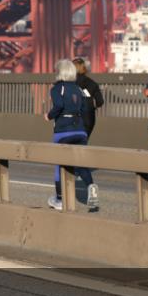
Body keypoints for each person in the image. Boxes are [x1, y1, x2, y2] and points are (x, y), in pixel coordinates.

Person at [45, 59, 98, 211]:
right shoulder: (78, 89)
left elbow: (59, 106)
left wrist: (49, 116)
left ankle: (60, 200)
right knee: (81, 164)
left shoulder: (57, 88)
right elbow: (84, 108)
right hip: (80, 130)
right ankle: (91, 188)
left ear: (60, 72)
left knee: (58, 165)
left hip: (63, 131)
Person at [72, 57, 104, 138]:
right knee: (83, 142)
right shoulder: (93, 84)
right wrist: (93, 106)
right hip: (88, 118)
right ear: (85, 68)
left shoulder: (68, 84)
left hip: (71, 119)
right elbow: (100, 102)